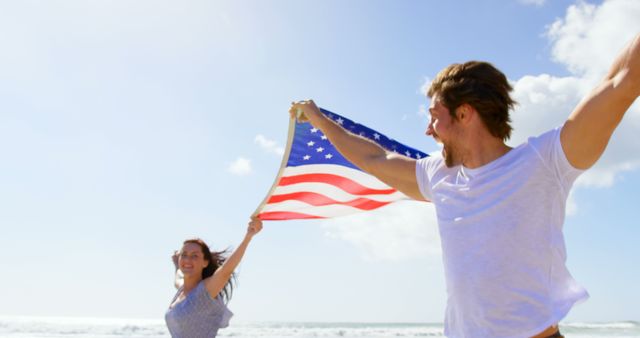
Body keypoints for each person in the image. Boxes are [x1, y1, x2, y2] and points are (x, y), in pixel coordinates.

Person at [290, 33, 639, 338]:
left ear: (464, 114)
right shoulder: (438, 175)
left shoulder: (545, 161)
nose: (428, 129)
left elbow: (620, 83)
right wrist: (321, 121)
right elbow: (373, 160)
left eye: (434, 116)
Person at [165, 218, 263, 338]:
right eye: (184, 255)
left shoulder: (204, 292)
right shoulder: (181, 290)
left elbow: (225, 271)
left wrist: (248, 237)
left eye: (194, 256)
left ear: (205, 262)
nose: (187, 259)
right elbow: (177, 278)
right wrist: (176, 265)